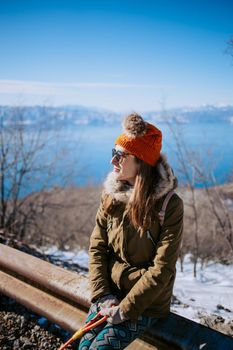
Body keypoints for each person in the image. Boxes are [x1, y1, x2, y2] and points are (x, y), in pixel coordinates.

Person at [78, 113, 183, 350]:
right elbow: (98, 248)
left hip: (145, 303)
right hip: (110, 295)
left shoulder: (170, 206)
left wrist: (126, 309)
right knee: (83, 347)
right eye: (112, 153)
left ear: (140, 162)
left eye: (119, 155)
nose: (112, 161)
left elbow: (162, 269)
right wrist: (103, 294)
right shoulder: (111, 196)